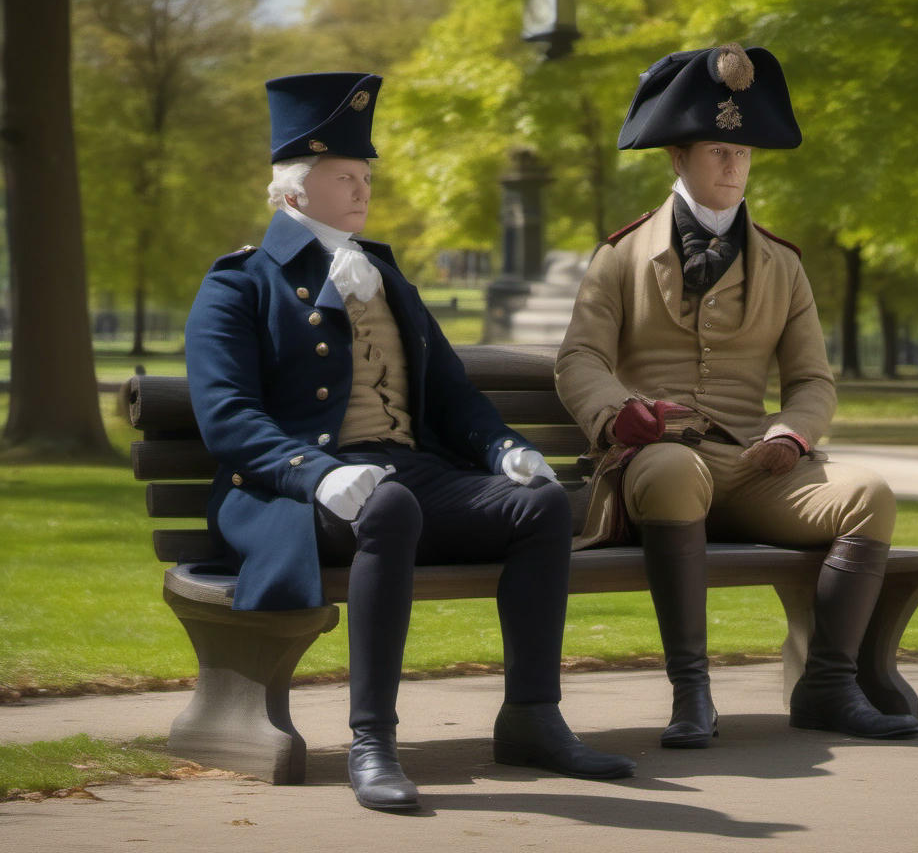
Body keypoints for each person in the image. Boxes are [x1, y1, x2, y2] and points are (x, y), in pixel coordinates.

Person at [185, 72, 635, 813]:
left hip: (405, 476)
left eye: (365, 176)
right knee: (386, 507)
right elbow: (228, 418)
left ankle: (531, 717)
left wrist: (502, 450)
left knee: (542, 507)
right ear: (294, 191)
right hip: (290, 497)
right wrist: (318, 474)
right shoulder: (240, 285)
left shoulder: (386, 275)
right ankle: (374, 741)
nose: (363, 190)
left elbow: (452, 394)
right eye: (345, 176)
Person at [554, 43, 918, 748]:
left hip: (757, 466)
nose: (734, 165)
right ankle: (691, 694)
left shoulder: (783, 264)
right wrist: (614, 414)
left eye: (743, 152)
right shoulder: (620, 255)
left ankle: (828, 686)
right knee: (668, 471)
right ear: (678, 158)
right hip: (659, 459)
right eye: (719, 150)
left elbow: (812, 379)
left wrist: (793, 433)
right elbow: (581, 359)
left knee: (869, 493)